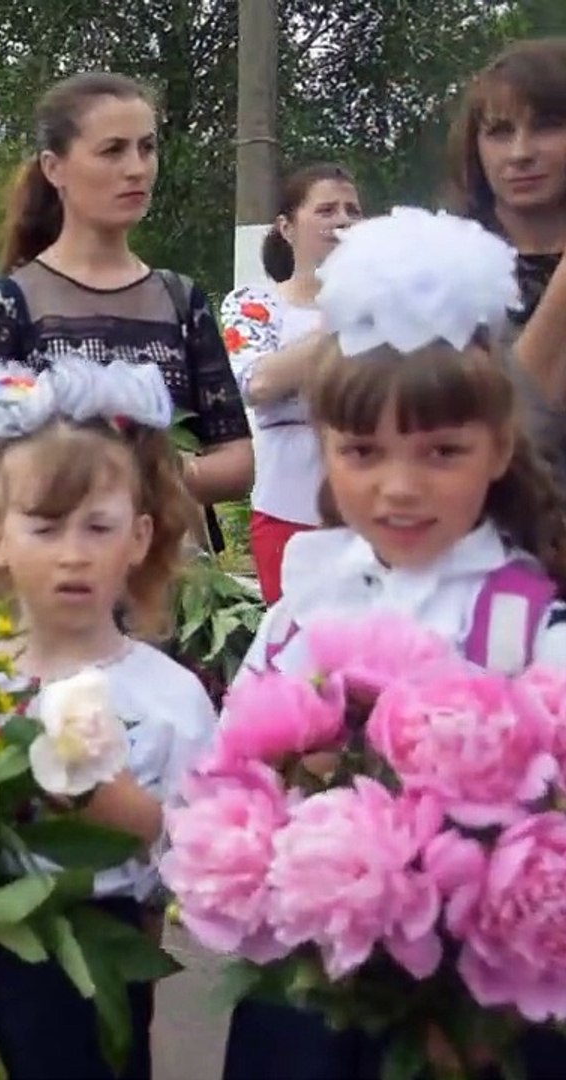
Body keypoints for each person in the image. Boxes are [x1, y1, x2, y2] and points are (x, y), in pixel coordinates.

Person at [219, 207, 566, 1080]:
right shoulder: (304, 603)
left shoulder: (517, 610)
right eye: (363, 451)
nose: (399, 487)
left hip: (471, 1005)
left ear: (497, 450)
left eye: (441, 451)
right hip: (312, 991)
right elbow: (231, 775)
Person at [0, 355, 214, 1080]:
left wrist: (123, 811)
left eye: (99, 527)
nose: (74, 556)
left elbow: (209, 871)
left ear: (140, 537)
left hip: (93, 993)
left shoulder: (169, 699)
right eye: (45, 528)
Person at [0, 74, 252, 540]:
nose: (137, 168)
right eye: (113, 151)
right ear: (54, 168)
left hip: (172, 580)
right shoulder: (9, 305)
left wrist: (159, 470)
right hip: (52, 578)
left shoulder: (180, 300)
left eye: (147, 148)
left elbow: (238, 462)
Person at [219, 165, 362, 602]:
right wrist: (346, 317)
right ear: (286, 226)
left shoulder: (386, 307)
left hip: (371, 505)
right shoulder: (254, 304)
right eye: (325, 210)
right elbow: (257, 382)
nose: (342, 221)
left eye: (352, 211)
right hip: (287, 504)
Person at [449, 39, 566, 491]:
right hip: (503, 546)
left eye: (548, 126)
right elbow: (512, 441)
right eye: (499, 131)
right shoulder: (440, 272)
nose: (520, 152)